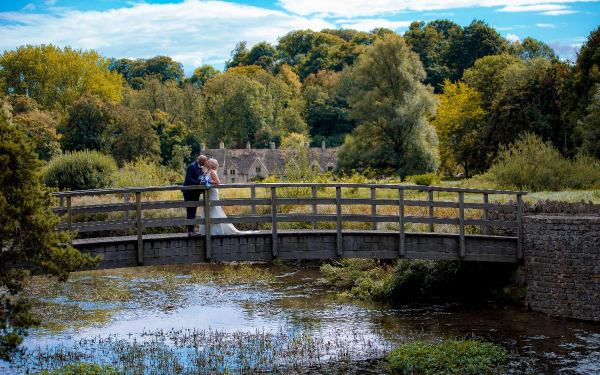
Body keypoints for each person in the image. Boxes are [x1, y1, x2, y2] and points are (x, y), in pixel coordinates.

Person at [199, 158, 247, 235]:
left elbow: (217, 182)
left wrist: (208, 182)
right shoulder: (205, 172)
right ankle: (207, 229)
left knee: (214, 208)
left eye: (208, 161)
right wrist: (202, 182)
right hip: (207, 193)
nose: (206, 162)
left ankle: (216, 230)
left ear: (211, 164)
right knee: (206, 208)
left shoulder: (212, 172)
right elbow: (201, 182)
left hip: (212, 193)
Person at [182, 154, 207, 236]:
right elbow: (188, 178)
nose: (205, 162)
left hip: (195, 192)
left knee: (193, 211)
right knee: (190, 211)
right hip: (189, 192)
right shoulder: (192, 166)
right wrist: (198, 183)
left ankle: (192, 230)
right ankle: (190, 231)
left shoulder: (200, 168)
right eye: (204, 161)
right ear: (200, 161)